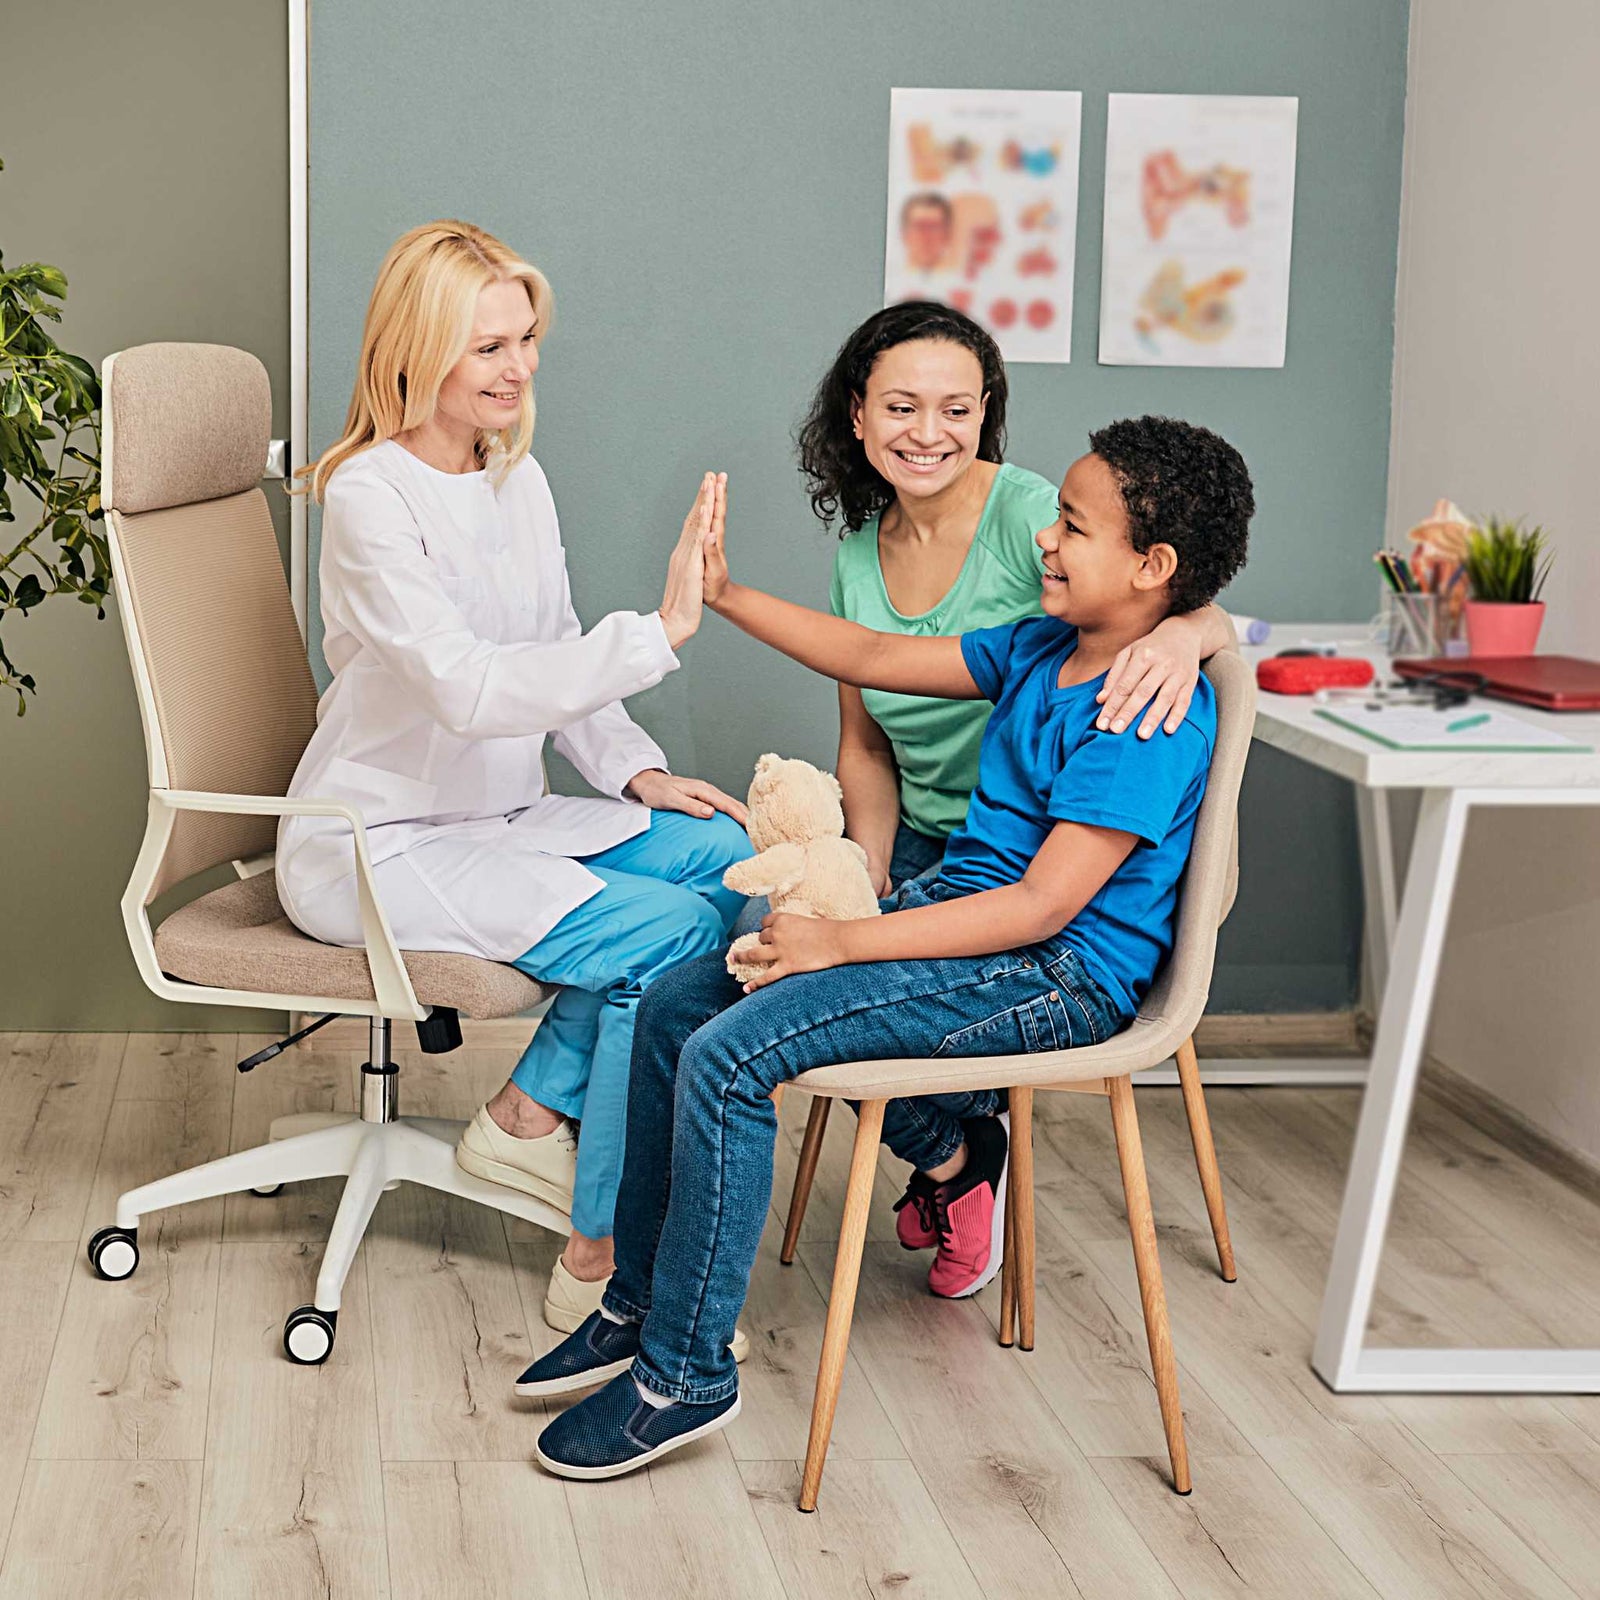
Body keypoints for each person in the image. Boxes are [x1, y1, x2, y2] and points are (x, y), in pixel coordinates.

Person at [520, 414, 1253, 1480]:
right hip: (965, 930)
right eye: (1055, 516)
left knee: (731, 1054)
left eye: (1075, 526)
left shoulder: (1144, 712)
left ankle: (684, 1376)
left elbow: (1044, 908)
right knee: (685, 999)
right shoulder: (1042, 645)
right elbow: (870, 655)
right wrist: (723, 595)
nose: (1046, 538)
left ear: (1154, 568)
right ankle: (638, 1304)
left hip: (1052, 976)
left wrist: (844, 939)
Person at [278, 220, 753, 1339]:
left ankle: (527, 1112)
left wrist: (637, 772)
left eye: (526, 338)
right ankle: (604, 1245)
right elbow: (470, 690)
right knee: (671, 937)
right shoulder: (366, 496)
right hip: (376, 842)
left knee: (734, 866)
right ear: (415, 349)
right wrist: (665, 630)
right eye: (487, 345)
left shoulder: (515, 480)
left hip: (500, 816)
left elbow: (557, 656)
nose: (519, 366)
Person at [796, 303, 1232, 905]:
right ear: (858, 414)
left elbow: (1157, 585)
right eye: (901, 408)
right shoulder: (855, 562)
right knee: (756, 928)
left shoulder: (1034, 517)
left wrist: (1184, 634)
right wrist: (869, 866)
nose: (927, 434)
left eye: (955, 410)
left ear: (983, 413)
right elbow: (866, 744)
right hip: (919, 839)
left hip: (1030, 846)